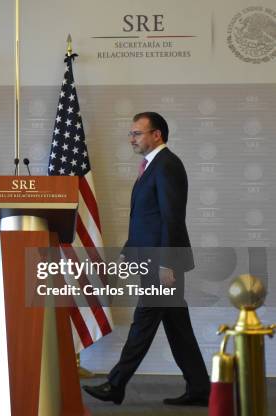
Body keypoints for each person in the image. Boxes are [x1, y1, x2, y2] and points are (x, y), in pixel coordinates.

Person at [82, 112, 210, 406]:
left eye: (137, 133)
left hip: (162, 262)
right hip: (152, 257)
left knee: (144, 320)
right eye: (131, 134)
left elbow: (171, 218)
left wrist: (167, 262)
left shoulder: (167, 166)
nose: (131, 139)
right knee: (178, 327)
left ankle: (116, 384)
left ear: (157, 135)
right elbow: (146, 218)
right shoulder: (153, 166)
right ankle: (200, 388)